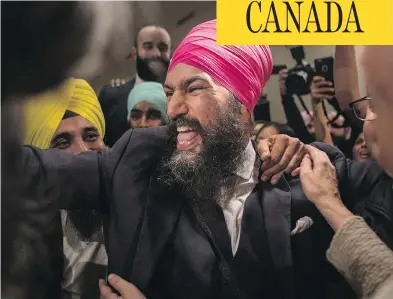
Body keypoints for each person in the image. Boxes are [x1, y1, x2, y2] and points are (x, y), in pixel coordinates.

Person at [21, 20, 385, 299]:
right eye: (169, 92)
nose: (174, 108)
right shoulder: (138, 160)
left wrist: (358, 30)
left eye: (193, 88)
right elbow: (32, 171)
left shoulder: (313, 174)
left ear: (243, 104)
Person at [297, 45, 393, 299]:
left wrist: (330, 204)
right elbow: (347, 98)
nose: (368, 126)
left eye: (383, 105)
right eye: (370, 101)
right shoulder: (377, 180)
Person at [23, 78, 108, 299]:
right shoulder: (22, 238)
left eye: (90, 136)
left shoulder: (135, 207)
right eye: (62, 142)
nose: (83, 152)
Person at [98, 24, 171, 147]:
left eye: (162, 48)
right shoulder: (111, 95)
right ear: (134, 52)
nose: (156, 53)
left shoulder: (180, 96)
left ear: (170, 53)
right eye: (148, 46)